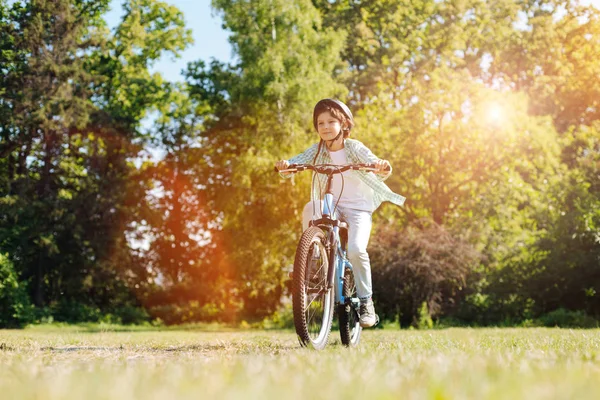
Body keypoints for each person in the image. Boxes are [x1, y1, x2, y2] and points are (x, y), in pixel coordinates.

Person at [275, 98, 405, 328]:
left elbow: (374, 162)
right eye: (320, 122)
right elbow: (296, 162)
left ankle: (366, 302)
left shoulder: (353, 147)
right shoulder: (317, 150)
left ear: (343, 124)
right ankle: (314, 259)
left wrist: (381, 165)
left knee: (356, 249)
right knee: (310, 207)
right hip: (332, 206)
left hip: (358, 209)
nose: (324, 126)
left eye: (331, 121)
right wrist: (286, 165)